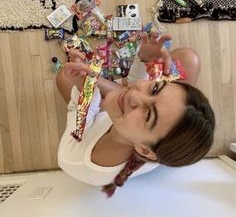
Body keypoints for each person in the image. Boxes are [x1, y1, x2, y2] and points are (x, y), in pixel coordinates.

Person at [56, 32, 215, 197]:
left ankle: (119, 84)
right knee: (189, 58)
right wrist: (144, 59)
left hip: (97, 113)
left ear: (144, 150)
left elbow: (82, 109)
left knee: (63, 78)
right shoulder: (144, 129)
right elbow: (134, 90)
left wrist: (84, 82)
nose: (134, 96)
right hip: (126, 119)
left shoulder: (74, 157)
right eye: (155, 88)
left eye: (148, 116)